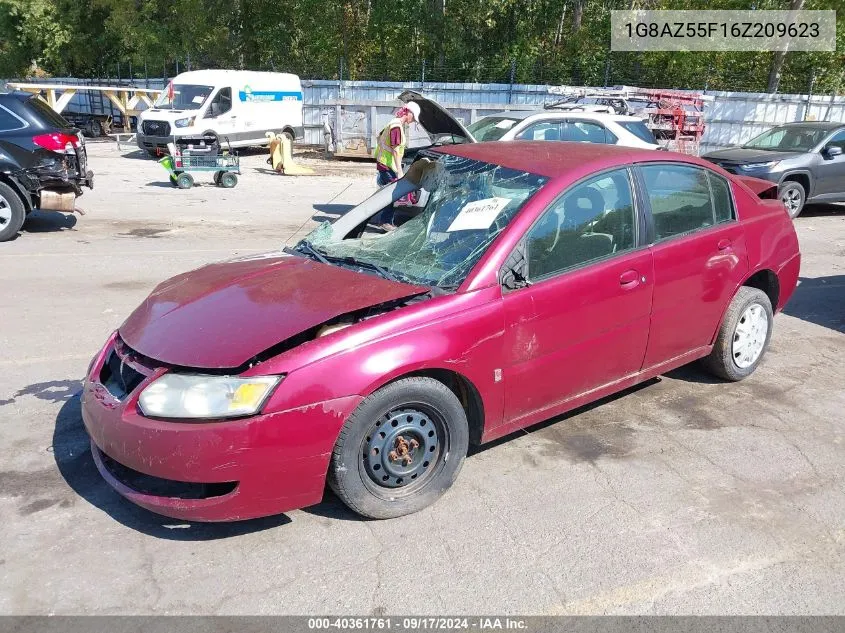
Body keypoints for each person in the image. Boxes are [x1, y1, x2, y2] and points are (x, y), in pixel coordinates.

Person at [372, 101, 420, 229]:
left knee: (384, 193)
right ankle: (385, 222)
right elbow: (394, 149)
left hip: (383, 163)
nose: (413, 120)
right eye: (413, 117)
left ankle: (376, 216)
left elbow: (379, 136)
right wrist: (400, 171)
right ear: (408, 113)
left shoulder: (393, 123)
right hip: (388, 165)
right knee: (392, 195)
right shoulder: (396, 126)